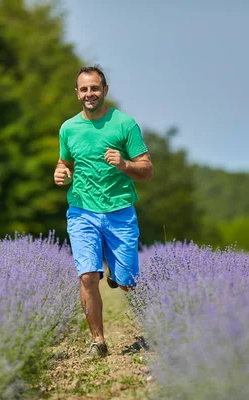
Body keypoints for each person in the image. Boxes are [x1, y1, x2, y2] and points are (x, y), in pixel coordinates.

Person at [54, 65, 154, 359]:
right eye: (84, 89)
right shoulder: (68, 128)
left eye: (95, 88)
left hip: (119, 211)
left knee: (128, 283)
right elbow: (64, 162)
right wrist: (61, 173)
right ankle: (98, 341)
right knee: (87, 276)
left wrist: (124, 164)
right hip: (82, 211)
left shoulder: (125, 125)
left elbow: (147, 170)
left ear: (105, 90)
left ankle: (116, 271)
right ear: (77, 93)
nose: (89, 94)